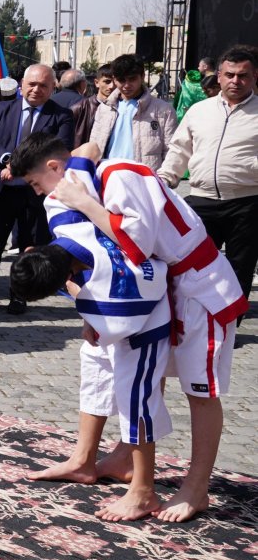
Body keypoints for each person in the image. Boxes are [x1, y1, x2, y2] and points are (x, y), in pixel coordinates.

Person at [17, 134, 246, 521]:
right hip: (160, 289)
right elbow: (105, 253)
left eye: (37, 183)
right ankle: (123, 458)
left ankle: (197, 486)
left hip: (198, 289)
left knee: (200, 389)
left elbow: (135, 245)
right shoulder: (86, 183)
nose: (40, 193)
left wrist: (84, 203)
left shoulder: (119, 176)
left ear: (56, 168)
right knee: (143, 375)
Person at [7, 160, 172, 523]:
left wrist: (84, 309)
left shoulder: (114, 293)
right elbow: (85, 152)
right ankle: (84, 460)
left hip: (145, 323)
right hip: (114, 309)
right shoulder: (64, 214)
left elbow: (113, 322)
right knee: (95, 370)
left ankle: (144, 488)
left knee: (136, 399)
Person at [0, 63, 73, 313]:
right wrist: (7, 160)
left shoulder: (61, 115)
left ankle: (20, 295)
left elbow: (59, 147)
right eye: (32, 84)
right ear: (22, 84)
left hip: (34, 193)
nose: (36, 90)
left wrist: (21, 168)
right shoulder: (1, 109)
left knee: (29, 247)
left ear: (53, 87)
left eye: (43, 85)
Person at [156, 45, 258, 305]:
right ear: (219, 76)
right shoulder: (199, 111)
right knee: (193, 266)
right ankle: (193, 323)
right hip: (201, 200)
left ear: (254, 76)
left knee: (239, 269)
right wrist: (166, 178)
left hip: (247, 203)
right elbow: (179, 149)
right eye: (230, 74)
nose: (236, 80)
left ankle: (229, 326)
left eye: (243, 75)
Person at [90, 53, 176, 170]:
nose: (126, 85)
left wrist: (164, 180)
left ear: (142, 76)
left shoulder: (163, 110)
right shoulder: (105, 108)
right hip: (109, 175)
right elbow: (94, 144)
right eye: (121, 80)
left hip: (145, 179)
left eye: (132, 79)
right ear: (114, 79)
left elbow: (172, 150)